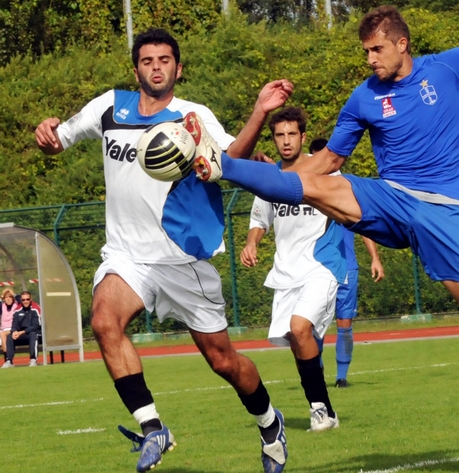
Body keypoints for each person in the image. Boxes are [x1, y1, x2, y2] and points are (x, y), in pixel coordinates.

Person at [193, 2, 459, 411]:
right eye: (366, 52)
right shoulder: (364, 97)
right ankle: (221, 166)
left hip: (447, 210)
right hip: (392, 199)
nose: (370, 60)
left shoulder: (446, 68)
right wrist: (287, 178)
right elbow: (330, 161)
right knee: (317, 186)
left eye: (377, 50)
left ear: (401, 44)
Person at [34, 28, 291, 473]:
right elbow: (60, 140)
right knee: (102, 320)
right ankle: (153, 427)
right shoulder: (110, 106)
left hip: (183, 258)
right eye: (148, 60)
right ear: (136, 69)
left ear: (178, 67)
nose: (157, 67)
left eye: (165, 60)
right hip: (127, 256)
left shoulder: (192, 116)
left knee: (223, 361)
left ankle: (270, 423)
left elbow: (232, 158)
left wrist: (258, 112)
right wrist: (47, 134)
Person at [240, 107, 343, 431]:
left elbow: (349, 207)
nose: (286, 141)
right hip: (285, 274)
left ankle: (319, 411)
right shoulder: (270, 180)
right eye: (279, 135)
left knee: (300, 329)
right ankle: (323, 408)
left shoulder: (325, 172)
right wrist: (252, 242)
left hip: (321, 266)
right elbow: (260, 219)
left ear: (302, 136)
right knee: (297, 339)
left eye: (291, 134)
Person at [309, 138, 385, 388]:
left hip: (346, 267)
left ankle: (342, 377)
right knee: (315, 324)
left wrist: (374, 257)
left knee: (344, 323)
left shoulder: (346, 186)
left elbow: (363, 225)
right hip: (316, 268)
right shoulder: (305, 188)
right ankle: (315, 373)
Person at [2, 291, 41, 368]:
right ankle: (9, 361)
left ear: (30, 299)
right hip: (21, 334)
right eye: (23, 300)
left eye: (27, 299)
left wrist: (22, 332)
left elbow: (36, 326)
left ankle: (33, 359)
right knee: (10, 336)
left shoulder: (35, 309)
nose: (25, 301)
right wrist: (14, 331)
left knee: (33, 334)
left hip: (32, 332)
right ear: (21, 300)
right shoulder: (17, 310)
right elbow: (14, 324)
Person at [1, 288, 21, 364]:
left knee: (3, 335)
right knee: (2, 336)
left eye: (10, 297)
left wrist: (13, 294)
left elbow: (20, 300)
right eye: (6, 297)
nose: (8, 299)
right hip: (3, 329)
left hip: (13, 328)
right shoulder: (2, 306)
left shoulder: (16, 305)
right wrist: (2, 295)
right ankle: (8, 360)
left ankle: (8, 360)